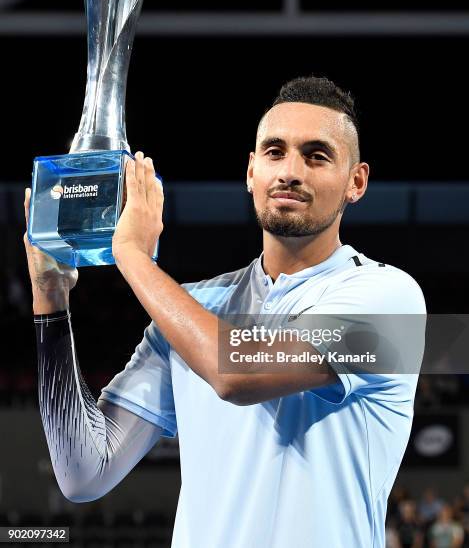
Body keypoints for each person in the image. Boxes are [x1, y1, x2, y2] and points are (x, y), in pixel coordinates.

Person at [24, 75, 426, 548]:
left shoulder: (391, 298)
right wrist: (50, 300)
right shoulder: (190, 311)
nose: (290, 171)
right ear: (251, 171)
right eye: (275, 152)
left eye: (316, 156)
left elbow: (238, 374)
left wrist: (130, 254)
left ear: (355, 182)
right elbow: (84, 473)